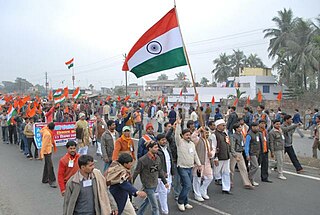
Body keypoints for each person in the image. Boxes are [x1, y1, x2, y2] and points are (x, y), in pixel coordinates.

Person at [133, 141, 169, 215]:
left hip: (154, 183)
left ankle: (139, 213)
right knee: (155, 206)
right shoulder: (142, 160)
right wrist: (131, 185)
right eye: (155, 147)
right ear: (149, 148)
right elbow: (136, 172)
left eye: (157, 147)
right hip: (147, 185)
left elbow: (160, 171)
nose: (157, 149)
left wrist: (165, 182)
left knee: (147, 201)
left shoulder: (157, 158)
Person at [175, 119, 201, 212]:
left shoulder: (192, 144)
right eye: (186, 135)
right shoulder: (180, 142)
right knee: (187, 185)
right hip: (182, 167)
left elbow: (195, 154)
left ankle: (185, 202)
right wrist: (178, 124)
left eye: (189, 135)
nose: (188, 136)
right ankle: (180, 201)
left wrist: (199, 164)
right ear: (182, 136)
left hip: (190, 167)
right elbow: (177, 134)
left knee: (186, 185)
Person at [191, 127, 214, 201]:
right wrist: (198, 130)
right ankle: (197, 194)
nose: (206, 134)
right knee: (197, 179)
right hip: (199, 163)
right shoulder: (198, 140)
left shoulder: (209, 141)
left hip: (207, 162)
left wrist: (212, 154)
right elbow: (193, 137)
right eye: (205, 132)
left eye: (207, 133)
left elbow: (213, 150)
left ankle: (203, 190)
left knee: (210, 177)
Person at [230, 123, 254, 189]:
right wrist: (235, 155)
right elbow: (232, 147)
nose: (241, 128)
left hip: (240, 153)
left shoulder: (241, 135)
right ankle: (230, 182)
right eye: (239, 127)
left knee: (243, 168)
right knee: (231, 169)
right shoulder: (233, 136)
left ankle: (247, 183)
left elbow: (243, 144)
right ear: (236, 129)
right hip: (235, 153)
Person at [212, 119, 232, 194]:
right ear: (218, 126)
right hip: (219, 157)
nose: (224, 126)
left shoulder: (225, 134)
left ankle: (226, 188)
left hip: (226, 156)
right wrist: (215, 157)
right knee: (216, 173)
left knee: (226, 172)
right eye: (222, 125)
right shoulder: (214, 135)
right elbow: (213, 147)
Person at [156, 133, 174, 215]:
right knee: (163, 192)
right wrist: (162, 172)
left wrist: (172, 172)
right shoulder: (157, 151)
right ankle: (165, 211)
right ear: (158, 141)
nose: (164, 141)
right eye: (162, 140)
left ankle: (152, 196)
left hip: (169, 173)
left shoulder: (167, 148)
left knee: (167, 191)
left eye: (165, 140)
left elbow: (170, 160)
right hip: (162, 175)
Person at [40, 122, 57, 188]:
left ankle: (45, 179)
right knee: (50, 166)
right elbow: (44, 144)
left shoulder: (45, 130)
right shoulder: (48, 134)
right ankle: (52, 181)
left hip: (47, 150)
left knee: (47, 165)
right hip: (47, 151)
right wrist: (41, 154)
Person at [245, 122, 261, 186]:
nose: (258, 128)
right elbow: (247, 145)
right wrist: (247, 154)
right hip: (252, 153)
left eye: (258, 127)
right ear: (252, 127)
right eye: (256, 127)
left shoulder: (257, 133)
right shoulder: (249, 135)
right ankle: (249, 177)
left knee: (252, 166)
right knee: (255, 166)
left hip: (257, 152)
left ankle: (251, 180)